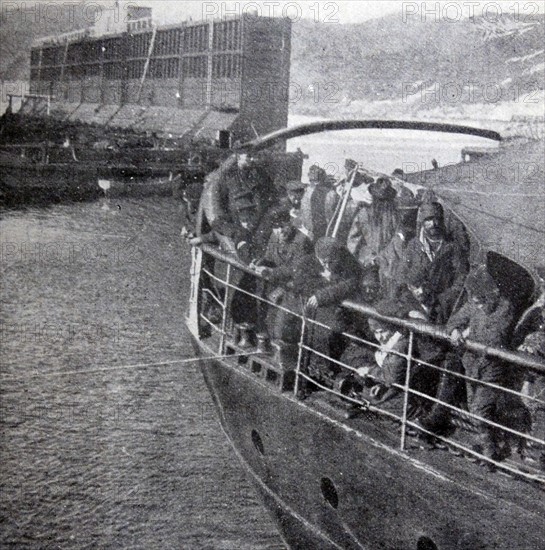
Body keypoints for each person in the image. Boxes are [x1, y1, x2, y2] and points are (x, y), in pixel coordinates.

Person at [446, 266, 529, 463]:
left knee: (479, 408)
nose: (479, 305)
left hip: (492, 367)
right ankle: (484, 444)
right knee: (476, 407)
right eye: (475, 301)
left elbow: (495, 337)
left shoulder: (505, 308)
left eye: (482, 301)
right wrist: (455, 330)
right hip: (471, 364)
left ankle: (488, 452)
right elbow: (454, 320)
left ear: (492, 293)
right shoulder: (474, 304)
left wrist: (469, 332)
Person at [401, 201, 469, 324]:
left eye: (436, 219)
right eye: (428, 220)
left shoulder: (453, 248)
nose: (433, 224)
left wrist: (441, 301)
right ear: (422, 222)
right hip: (416, 307)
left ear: (442, 221)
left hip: (442, 310)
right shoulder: (413, 246)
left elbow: (461, 280)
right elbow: (402, 276)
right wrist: (413, 298)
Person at [347, 177, 399, 269]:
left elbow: (353, 242)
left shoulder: (364, 213)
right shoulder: (395, 215)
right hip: (387, 262)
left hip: (372, 262)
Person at [299, 165, 337, 242]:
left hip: (308, 233)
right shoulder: (332, 194)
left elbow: (303, 213)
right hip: (327, 234)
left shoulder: (305, 193)